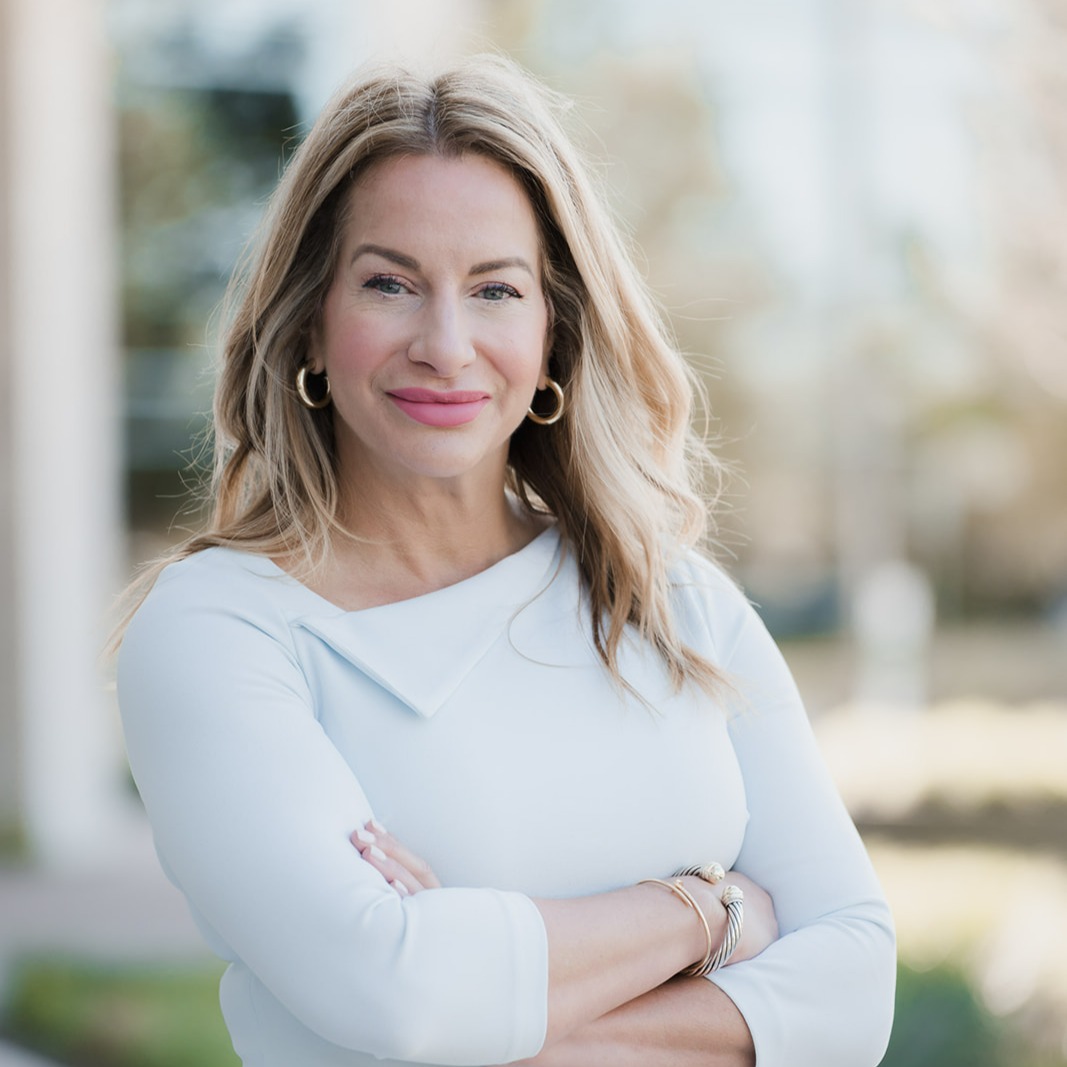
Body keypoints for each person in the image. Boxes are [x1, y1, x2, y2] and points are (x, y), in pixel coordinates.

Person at [115, 54, 895, 1067]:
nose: (446, 344)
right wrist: (708, 911)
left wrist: (493, 1004)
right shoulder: (220, 629)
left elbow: (855, 987)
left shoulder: (671, 600)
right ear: (309, 320)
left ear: (551, 331)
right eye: (389, 283)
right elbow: (399, 993)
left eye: (494, 288)